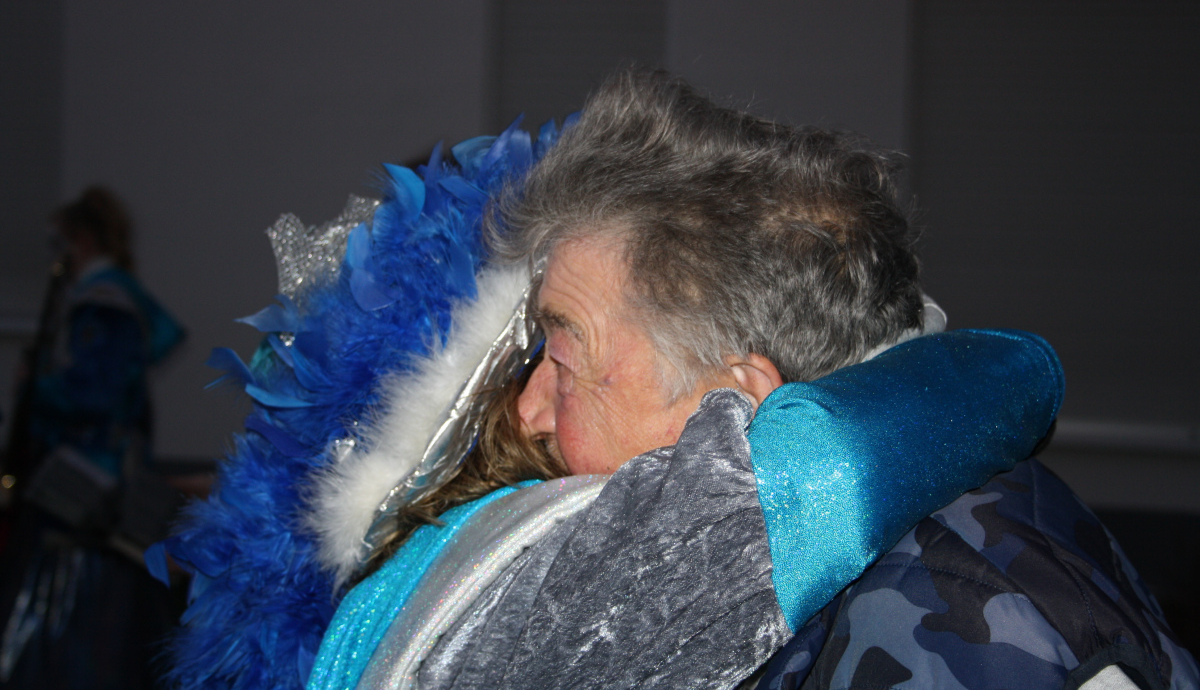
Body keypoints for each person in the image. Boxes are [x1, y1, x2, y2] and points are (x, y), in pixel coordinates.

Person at [163, 72, 1194, 690]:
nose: (529, 410)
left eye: (562, 359)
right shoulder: (817, 575)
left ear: (731, 407)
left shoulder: (965, 619)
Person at [0, 186, 186, 689]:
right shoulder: (114, 298)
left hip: (83, 494)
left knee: (76, 639)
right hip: (94, 488)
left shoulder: (103, 303)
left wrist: (38, 385)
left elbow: (96, 395)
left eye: (58, 243)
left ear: (79, 241)